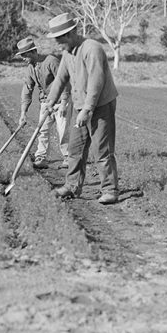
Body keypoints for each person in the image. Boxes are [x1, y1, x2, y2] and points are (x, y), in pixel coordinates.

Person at [44, 12, 120, 205]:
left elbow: (97, 81)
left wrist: (87, 110)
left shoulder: (92, 49)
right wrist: (50, 102)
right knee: (75, 148)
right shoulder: (67, 53)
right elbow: (61, 78)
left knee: (101, 149)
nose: (58, 45)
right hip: (81, 105)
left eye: (59, 40)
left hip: (100, 105)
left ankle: (110, 190)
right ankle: (71, 186)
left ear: (70, 34)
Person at [15, 37, 70, 169]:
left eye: (24, 55)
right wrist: (23, 113)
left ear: (33, 52)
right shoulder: (30, 68)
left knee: (62, 131)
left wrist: (63, 102)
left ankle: (68, 158)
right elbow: (27, 89)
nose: (23, 58)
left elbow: (64, 80)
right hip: (46, 102)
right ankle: (41, 158)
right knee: (42, 131)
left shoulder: (51, 61)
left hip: (59, 101)